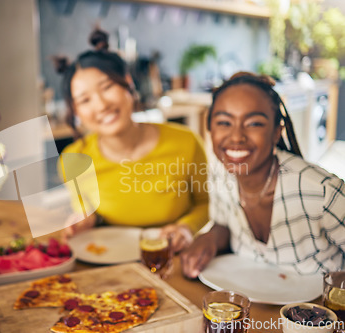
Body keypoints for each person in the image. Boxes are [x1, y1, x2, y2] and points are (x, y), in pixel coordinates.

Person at [180, 72, 345, 278]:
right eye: (224, 122)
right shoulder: (220, 174)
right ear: (210, 128)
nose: (237, 137)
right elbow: (224, 224)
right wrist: (210, 239)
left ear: (277, 132)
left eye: (254, 123)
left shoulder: (324, 193)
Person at [58, 29, 209, 252]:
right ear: (75, 110)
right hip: (109, 262)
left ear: (128, 83)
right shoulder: (72, 160)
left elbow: (207, 204)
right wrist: (83, 221)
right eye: (85, 100)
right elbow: (88, 214)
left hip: (176, 259)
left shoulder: (185, 142)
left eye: (107, 87)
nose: (101, 105)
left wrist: (185, 228)